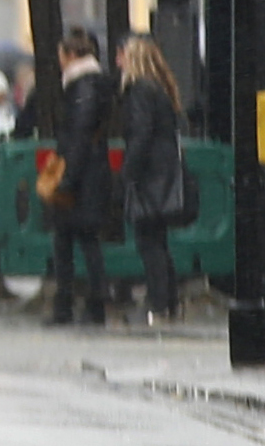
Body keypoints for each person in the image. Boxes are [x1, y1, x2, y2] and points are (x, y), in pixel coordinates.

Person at [113, 37, 189, 319]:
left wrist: (128, 172)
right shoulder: (160, 89)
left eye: (121, 55)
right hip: (164, 169)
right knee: (158, 239)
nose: (117, 61)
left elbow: (141, 134)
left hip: (150, 174)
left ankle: (157, 304)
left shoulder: (139, 91)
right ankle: (168, 302)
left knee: (149, 241)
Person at [47, 30, 117, 325]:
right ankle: (85, 302)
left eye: (62, 56)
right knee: (79, 241)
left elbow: (79, 135)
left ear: (72, 56)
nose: (60, 62)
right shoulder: (92, 85)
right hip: (90, 172)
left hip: (82, 176)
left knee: (77, 241)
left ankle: (79, 304)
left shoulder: (83, 88)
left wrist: (68, 178)